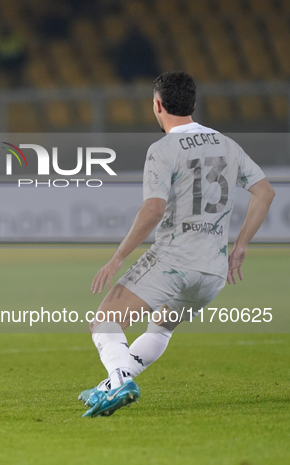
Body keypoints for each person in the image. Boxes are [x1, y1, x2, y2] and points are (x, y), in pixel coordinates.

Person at [78, 72, 275, 418]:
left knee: (105, 322)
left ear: (157, 105)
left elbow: (153, 210)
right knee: (162, 328)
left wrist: (117, 258)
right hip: (212, 272)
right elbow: (265, 192)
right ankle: (110, 386)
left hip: (173, 261)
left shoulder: (163, 149)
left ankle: (120, 379)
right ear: (193, 104)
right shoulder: (227, 144)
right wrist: (241, 244)